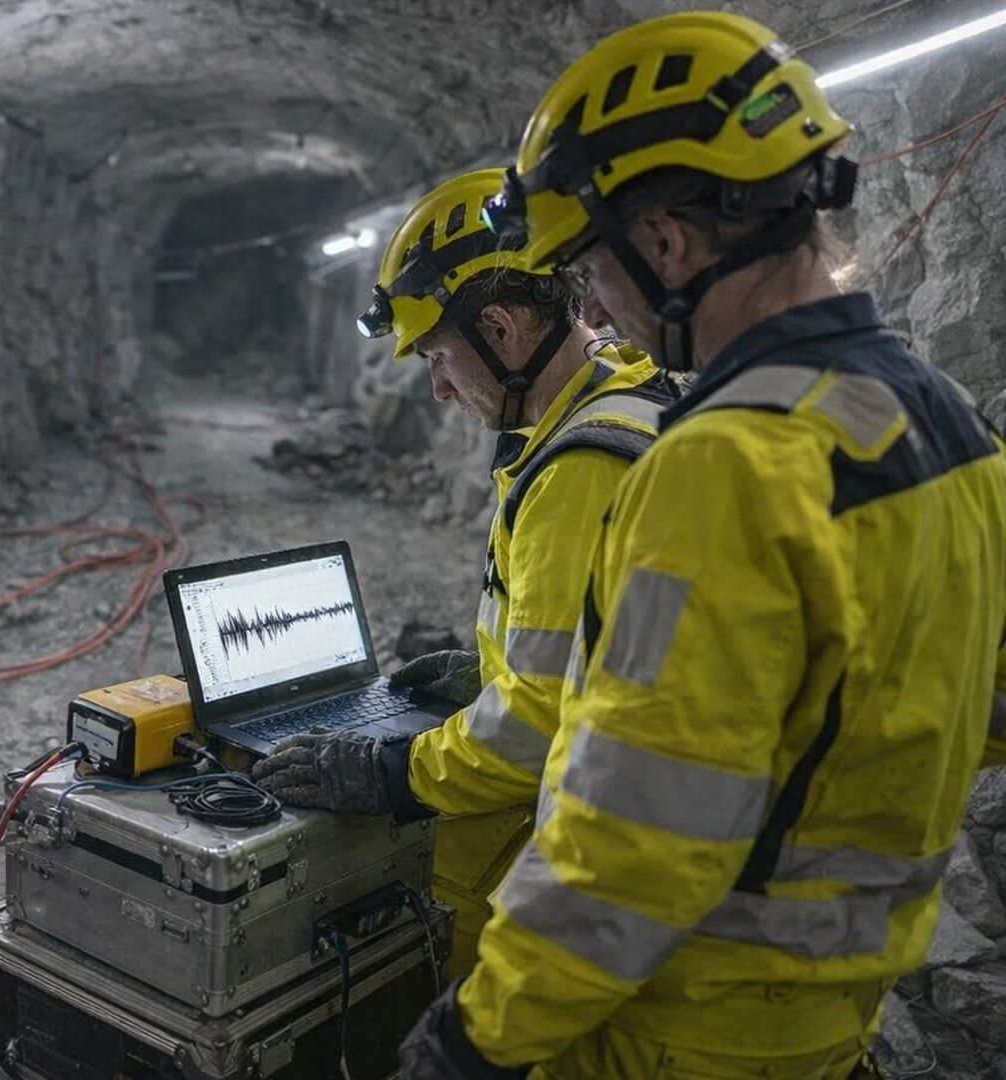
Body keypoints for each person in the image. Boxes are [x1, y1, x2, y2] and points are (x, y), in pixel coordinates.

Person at [399, 12, 1006, 1079]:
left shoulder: (723, 464)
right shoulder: (942, 418)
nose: (590, 302)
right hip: (826, 1014)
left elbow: (634, 838)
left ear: (667, 244)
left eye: (592, 267)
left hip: (682, 1021)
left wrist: (480, 1031)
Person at [252, 168, 679, 977]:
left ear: (501, 328)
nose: (441, 388)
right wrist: (486, 671)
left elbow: (534, 730)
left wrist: (385, 770)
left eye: (439, 358)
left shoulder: (578, 469)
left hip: (575, 860)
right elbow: (590, 651)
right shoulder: (634, 395)